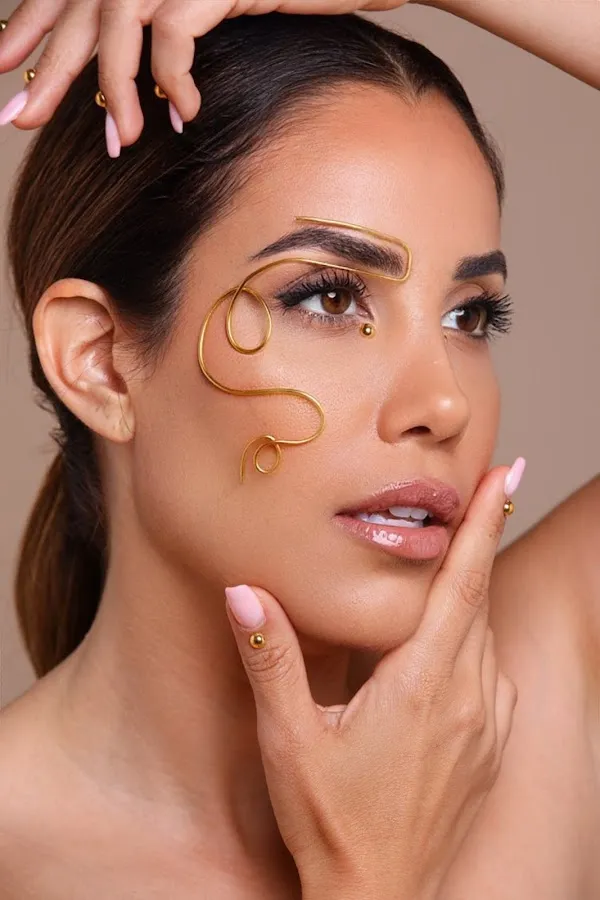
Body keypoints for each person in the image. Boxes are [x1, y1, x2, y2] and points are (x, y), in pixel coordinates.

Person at [0, 4, 597, 899]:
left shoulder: (526, 700)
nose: (442, 403)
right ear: (101, 364)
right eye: (329, 298)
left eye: (469, 315)